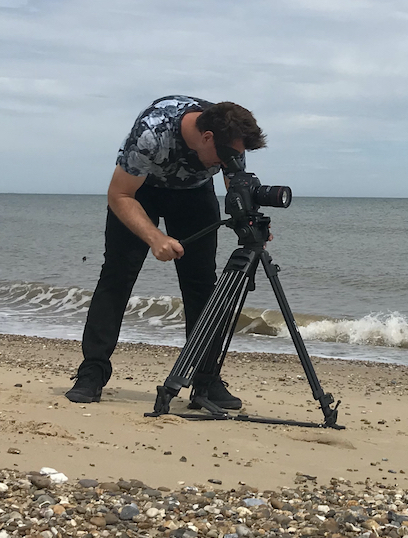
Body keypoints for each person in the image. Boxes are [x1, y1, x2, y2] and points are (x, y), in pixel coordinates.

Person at [66, 95, 267, 408]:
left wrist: (252, 222)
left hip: (193, 195)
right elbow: (119, 194)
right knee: (117, 278)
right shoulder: (152, 133)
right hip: (139, 193)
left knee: (202, 286)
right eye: (223, 156)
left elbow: (236, 189)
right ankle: (91, 374)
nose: (226, 162)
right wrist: (154, 237)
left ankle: (206, 381)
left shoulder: (230, 143)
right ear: (207, 137)